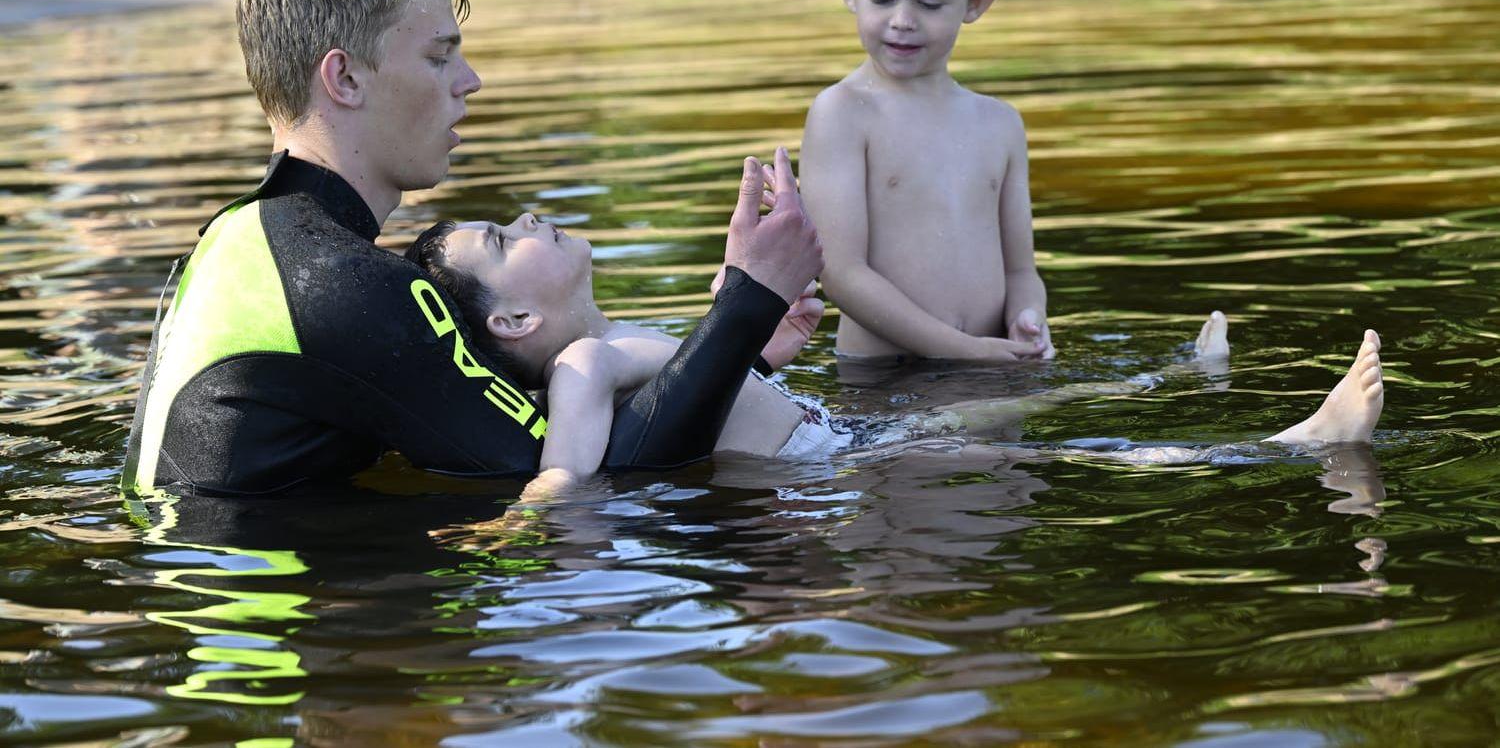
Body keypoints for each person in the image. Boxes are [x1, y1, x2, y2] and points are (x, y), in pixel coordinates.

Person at [123, 0, 823, 497]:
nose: (471, 81)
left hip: (240, 619)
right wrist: (746, 303)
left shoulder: (235, 243)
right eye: (438, 57)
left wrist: (741, 359)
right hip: (300, 656)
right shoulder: (342, 285)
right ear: (343, 77)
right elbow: (600, 473)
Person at [408, 187, 1388, 497]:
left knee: (1005, 406)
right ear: (514, 322)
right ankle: (1294, 446)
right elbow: (568, 474)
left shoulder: (612, 338)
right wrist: (524, 525)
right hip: (819, 465)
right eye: (505, 238)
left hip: (827, 434)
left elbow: (704, 398)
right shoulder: (580, 361)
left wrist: (768, 350)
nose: (532, 219)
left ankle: (1167, 371)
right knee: (1043, 451)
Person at [799, 0, 1053, 363]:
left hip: (989, 366)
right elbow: (841, 273)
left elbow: (1021, 269)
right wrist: (965, 351)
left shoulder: (1000, 124)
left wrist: (1028, 319)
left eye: (930, 4)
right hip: (883, 381)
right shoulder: (843, 112)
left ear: (976, 3)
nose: (902, 20)